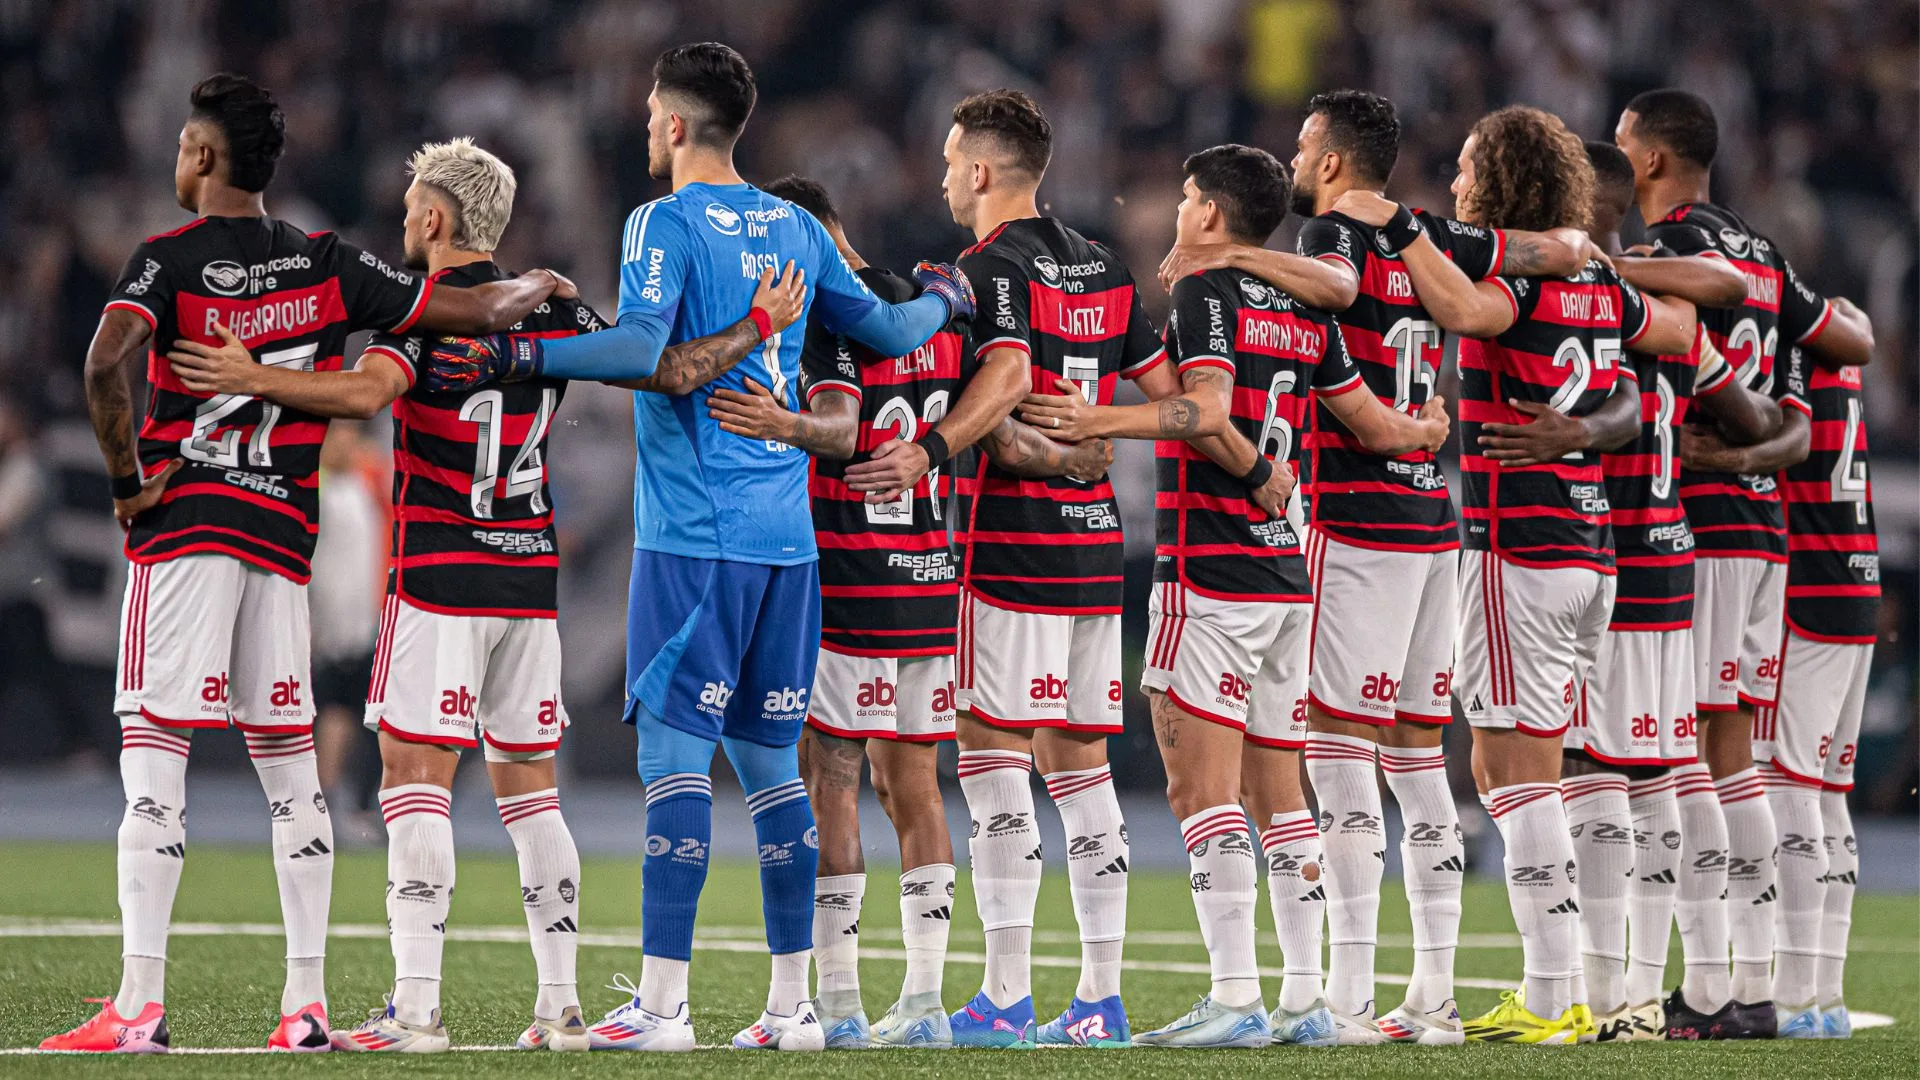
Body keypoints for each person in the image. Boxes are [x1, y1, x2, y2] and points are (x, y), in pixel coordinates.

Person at [168, 136, 805, 1052]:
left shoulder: (425, 320)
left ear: (434, 217)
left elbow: (357, 396)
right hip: (526, 580)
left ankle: (417, 1010)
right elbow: (665, 370)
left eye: (410, 204)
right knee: (531, 795)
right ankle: (562, 1007)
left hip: (439, 578)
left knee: (414, 784)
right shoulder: (555, 313)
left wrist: (252, 377)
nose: (401, 218)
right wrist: (753, 328)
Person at [415, 43, 972, 1054]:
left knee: (674, 762)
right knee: (771, 769)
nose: (640, 128)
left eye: (646, 114)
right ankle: (794, 1008)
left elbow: (639, 354)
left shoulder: (662, 222)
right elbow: (891, 331)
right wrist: (952, 298)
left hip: (695, 542)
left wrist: (516, 349)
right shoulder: (799, 226)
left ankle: (664, 1007)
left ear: (675, 124)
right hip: (787, 546)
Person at [43, 73, 572, 1055]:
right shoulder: (328, 264)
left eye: (179, 147)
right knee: (295, 785)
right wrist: (542, 284)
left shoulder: (168, 261)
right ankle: (306, 1005)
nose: (173, 163)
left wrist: (126, 478)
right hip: (282, 544)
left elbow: (101, 361)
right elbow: (484, 308)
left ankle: (138, 1006)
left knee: (155, 770)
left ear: (203, 158)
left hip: (187, 530)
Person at [1156, 89, 1604, 1045]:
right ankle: (1431, 995)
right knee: (1417, 759)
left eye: (1305, 142)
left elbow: (1338, 293)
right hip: (1432, 521)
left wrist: (1225, 253)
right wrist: (1576, 248)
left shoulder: (1332, 240)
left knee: (1338, 754)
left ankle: (1349, 999)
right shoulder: (1430, 239)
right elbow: (1553, 249)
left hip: (1355, 526)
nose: (1299, 154)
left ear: (1328, 161)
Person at [1020, 144, 1446, 1047]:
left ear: (1211, 215)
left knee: (1199, 793)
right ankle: (1302, 1002)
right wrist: (1426, 428)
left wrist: (1101, 419)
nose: (1175, 209)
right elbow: (1368, 421)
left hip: (1211, 572)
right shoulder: (1302, 306)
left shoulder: (1208, 294)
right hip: (1289, 577)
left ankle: (1235, 995)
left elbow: (1205, 409)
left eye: (1183, 196)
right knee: (1279, 794)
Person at [714, 175, 1110, 1050]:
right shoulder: (930, 308)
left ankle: (843, 1004)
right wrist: (1068, 460)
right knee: (919, 790)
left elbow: (842, 426)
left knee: (834, 785)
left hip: (853, 587)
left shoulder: (832, 318)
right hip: (933, 584)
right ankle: (926, 1002)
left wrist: (772, 420)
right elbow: (998, 434)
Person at [1333, 103, 1697, 1044]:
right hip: (1594, 554)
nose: (1454, 184)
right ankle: (1574, 985)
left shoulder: (1525, 283)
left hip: (1519, 546)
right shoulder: (1601, 287)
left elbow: (1462, 310)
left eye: (1465, 170)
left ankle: (1550, 994)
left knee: (1508, 771)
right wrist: (1592, 415)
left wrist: (1405, 230)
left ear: (1498, 182)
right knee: (1555, 766)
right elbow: (1679, 333)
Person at [874, 89, 1162, 1050]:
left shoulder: (989, 268)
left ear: (987, 171)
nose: (949, 174)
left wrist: (937, 445)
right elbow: (1164, 395)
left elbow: (1001, 379)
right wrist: (1101, 442)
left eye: (956, 159)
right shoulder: (1108, 266)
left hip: (1011, 550)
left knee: (994, 765)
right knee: (1082, 771)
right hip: (1093, 545)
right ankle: (1101, 999)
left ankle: (1002, 995)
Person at [1485, 140, 1772, 1042]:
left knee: (1594, 773)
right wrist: (1725, 454)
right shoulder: (1659, 316)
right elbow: (1751, 401)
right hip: (1672, 557)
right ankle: (1678, 987)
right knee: (1672, 771)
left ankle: (1612, 995)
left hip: (1592, 545)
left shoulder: (1572, 302)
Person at [1615, 87, 1874, 1037]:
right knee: (1739, 760)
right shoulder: (1764, 251)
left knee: (1690, 756)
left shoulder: (1670, 251)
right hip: (1765, 532)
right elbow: (1840, 347)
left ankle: (1716, 988)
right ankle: (1752, 985)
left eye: (1622, 149)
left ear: (1647, 161)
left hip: (1706, 528)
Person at [1705, 343, 1877, 1039]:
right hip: (1858, 582)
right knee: (1828, 792)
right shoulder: (1847, 366)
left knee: (1787, 784)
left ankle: (1798, 991)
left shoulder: (1792, 367)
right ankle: (1825, 990)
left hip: (1806, 593)